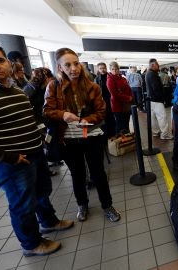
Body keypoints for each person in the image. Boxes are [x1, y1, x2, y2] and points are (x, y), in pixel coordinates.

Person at [0, 42, 74, 257]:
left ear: (7, 62)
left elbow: (27, 118)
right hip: (11, 163)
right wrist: (6, 156)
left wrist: (42, 138)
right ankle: (31, 244)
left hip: (34, 153)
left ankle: (49, 221)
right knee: (22, 205)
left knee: (42, 192)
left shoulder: (14, 89)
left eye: (0, 60)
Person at [43, 48, 121, 223]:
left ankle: (107, 206)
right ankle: (82, 204)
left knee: (98, 173)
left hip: (91, 135)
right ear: (60, 67)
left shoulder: (92, 86)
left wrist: (86, 120)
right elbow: (47, 111)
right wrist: (63, 115)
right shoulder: (53, 86)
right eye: (68, 65)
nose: (74, 68)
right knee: (77, 174)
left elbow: (101, 111)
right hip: (67, 139)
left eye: (76, 63)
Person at [146, 59, 173, 140]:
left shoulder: (148, 74)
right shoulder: (153, 74)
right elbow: (156, 88)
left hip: (151, 99)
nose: (159, 66)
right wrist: (162, 98)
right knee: (162, 117)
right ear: (153, 65)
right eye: (157, 65)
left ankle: (155, 132)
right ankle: (165, 134)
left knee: (153, 117)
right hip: (157, 100)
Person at [106, 61, 133, 135]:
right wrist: (128, 98)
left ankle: (128, 140)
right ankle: (121, 142)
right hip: (117, 106)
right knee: (120, 125)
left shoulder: (122, 78)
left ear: (118, 69)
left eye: (116, 69)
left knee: (126, 123)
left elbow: (128, 88)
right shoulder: (110, 80)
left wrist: (131, 96)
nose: (114, 71)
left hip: (126, 105)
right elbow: (114, 94)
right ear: (110, 70)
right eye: (112, 69)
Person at [95, 62, 116, 138]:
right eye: (101, 68)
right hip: (103, 101)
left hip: (111, 99)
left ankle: (113, 133)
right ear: (98, 69)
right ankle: (107, 134)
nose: (103, 70)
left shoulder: (110, 76)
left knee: (112, 117)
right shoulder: (97, 79)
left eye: (104, 68)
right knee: (105, 117)